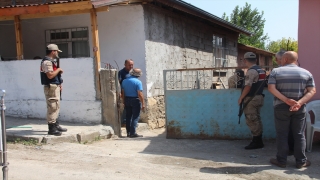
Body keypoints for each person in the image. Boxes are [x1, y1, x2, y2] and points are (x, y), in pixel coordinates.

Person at [268, 51, 316, 169]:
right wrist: (299, 103)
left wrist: (286, 100)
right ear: (295, 60)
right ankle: (301, 161)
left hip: (281, 107)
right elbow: (312, 91)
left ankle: (281, 161)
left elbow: (271, 88)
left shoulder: (276, 72)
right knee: (299, 134)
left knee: (282, 134)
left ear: (284, 59)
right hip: (299, 108)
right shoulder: (306, 73)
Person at [238, 52, 266, 150]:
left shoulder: (251, 71)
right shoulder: (261, 70)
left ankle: (257, 141)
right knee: (256, 118)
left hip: (252, 98)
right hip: (259, 97)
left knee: (251, 119)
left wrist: (241, 97)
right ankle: (258, 139)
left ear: (245, 60)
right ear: (256, 60)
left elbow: (248, 86)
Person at [40, 44, 67, 136]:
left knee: (56, 106)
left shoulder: (51, 61)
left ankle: (55, 124)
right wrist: (58, 69)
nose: (57, 53)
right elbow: (50, 75)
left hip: (55, 86)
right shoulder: (47, 62)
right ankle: (51, 128)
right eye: (56, 51)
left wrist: (59, 84)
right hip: (51, 87)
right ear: (53, 51)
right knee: (52, 106)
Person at [121, 68, 145, 138]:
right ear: (139, 74)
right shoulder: (138, 82)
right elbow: (139, 94)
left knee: (128, 117)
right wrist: (143, 103)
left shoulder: (124, 81)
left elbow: (123, 93)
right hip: (135, 100)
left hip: (127, 99)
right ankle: (133, 133)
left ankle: (128, 132)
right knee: (135, 117)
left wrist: (123, 101)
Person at [118, 59, 134, 126]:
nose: (131, 66)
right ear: (125, 65)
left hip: (132, 94)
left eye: (132, 65)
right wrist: (120, 92)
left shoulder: (132, 72)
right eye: (129, 65)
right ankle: (124, 122)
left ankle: (130, 122)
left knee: (132, 108)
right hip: (124, 93)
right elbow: (118, 83)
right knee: (125, 107)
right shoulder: (121, 72)